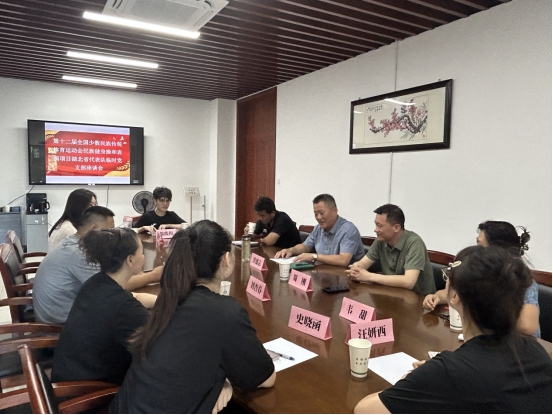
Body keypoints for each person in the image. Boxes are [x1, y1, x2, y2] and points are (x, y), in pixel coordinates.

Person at [354, 245, 552, 414]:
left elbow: (364, 410)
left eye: (448, 275)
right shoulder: (537, 352)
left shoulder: (449, 371)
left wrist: (415, 379)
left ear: (455, 296)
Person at [111, 220, 276, 413]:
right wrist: (224, 380)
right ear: (226, 259)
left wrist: (221, 380)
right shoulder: (224, 312)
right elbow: (266, 378)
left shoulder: (171, 296)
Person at [51, 227, 150, 384]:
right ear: (130, 260)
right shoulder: (125, 308)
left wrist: (161, 300)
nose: (143, 257)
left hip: (68, 373)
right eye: (142, 252)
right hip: (87, 392)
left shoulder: (97, 282)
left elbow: (133, 297)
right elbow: (159, 340)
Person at [33, 206, 159, 324]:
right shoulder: (79, 254)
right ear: (93, 229)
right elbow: (115, 286)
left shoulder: (74, 243)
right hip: (61, 321)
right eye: (108, 231)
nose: (112, 237)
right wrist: (153, 276)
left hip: (65, 310)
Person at [423, 221, 540, 337]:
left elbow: (528, 326)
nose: (475, 250)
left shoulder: (518, 278)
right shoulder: (481, 273)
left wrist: (481, 310)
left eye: (480, 245)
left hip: (516, 342)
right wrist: (437, 297)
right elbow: (460, 294)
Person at [346, 204, 436, 296]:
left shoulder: (414, 243)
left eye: (380, 226)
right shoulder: (381, 240)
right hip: (393, 293)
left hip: (419, 298)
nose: (375, 230)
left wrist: (368, 276)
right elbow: (364, 263)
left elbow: (409, 282)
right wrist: (357, 267)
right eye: (376, 224)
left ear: (396, 227)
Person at [274, 194, 364, 267]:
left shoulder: (348, 230)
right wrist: (290, 250)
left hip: (347, 278)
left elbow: (343, 260)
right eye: (316, 214)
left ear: (335, 211)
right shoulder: (318, 228)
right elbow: (305, 246)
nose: (319, 217)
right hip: (325, 274)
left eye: (321, 213)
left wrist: (314, 257)